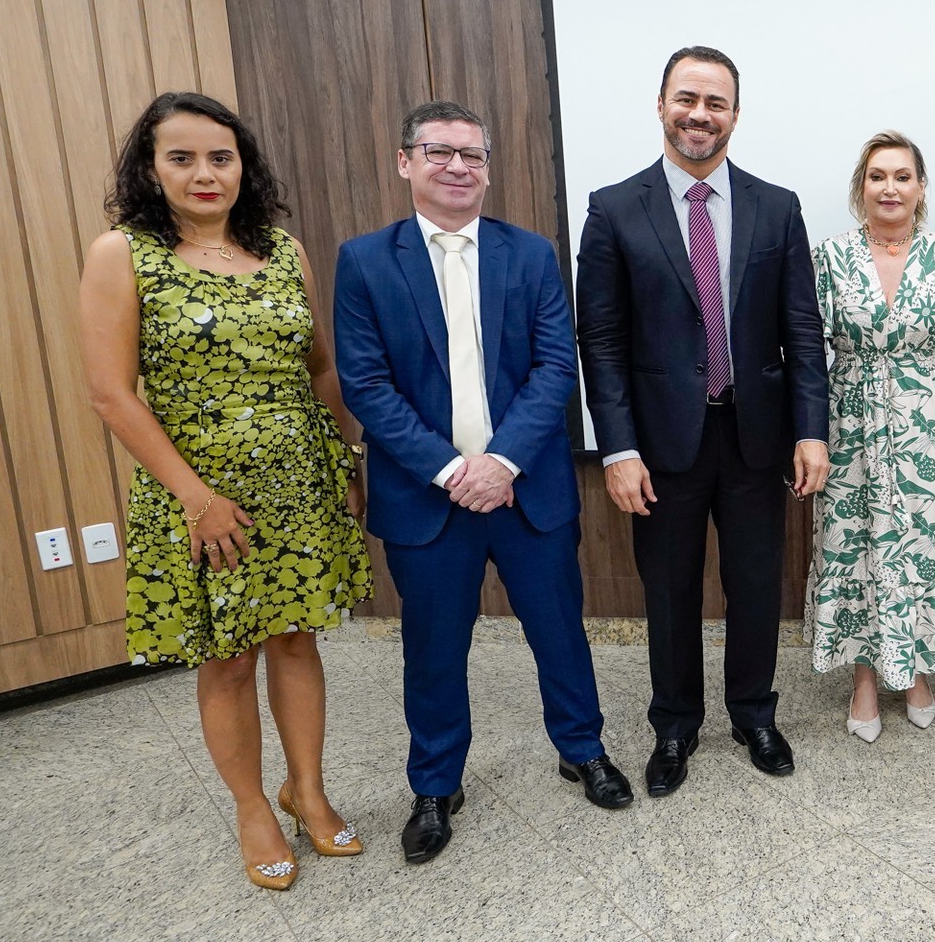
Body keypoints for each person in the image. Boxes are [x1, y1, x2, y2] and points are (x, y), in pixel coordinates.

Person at [80, 92, 372, 890]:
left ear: (244, 165)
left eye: (221, 157)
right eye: (182, 157)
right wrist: (196, 497)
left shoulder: (282, 250)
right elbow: (112, 393)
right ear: (151, 167)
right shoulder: (123, 253)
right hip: (199, 494)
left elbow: (319, 366)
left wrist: (346, 459)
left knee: (297, 640)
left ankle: (306, 788)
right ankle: (252, 806)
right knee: (230, 657)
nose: (205, 173)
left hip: (298, 481)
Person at [335, 99, 628, 867]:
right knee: (432, 651)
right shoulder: (366, 261)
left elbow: (554, 368)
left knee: (561, 631)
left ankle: (582, 749)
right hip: (426, 499)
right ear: (406, 161)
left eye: (473, 154)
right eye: (440, 152)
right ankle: (435, 786)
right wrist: (450, 468)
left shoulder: (529, 254)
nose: (459, 167)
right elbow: (365, 385)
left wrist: (501, 463)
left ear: (489, 168)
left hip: (525, 489)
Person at [577, 46, 830, 795]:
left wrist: (811, 428)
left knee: (757, 586)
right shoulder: (614, 208)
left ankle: (754, 711)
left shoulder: (775, 206)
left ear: (735, 115)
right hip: (660, 444)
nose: (700, 114)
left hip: (756, 436)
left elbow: (803, 330)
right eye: (687, 98)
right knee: (670, 589)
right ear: (661, 105)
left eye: (716, 102)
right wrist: (617, 446)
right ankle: (675, 725)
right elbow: (602, 339)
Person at [806, 132, 935, 742]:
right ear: (860, 188)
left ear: (920, 188)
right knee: (858, 547)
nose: (890, 187)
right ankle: (865, 678)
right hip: (850, 426)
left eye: (902, 176)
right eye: (877, 176)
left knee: (920, 549)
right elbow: (808, 355)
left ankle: (915, 671)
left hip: (927, 428)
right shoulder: (830, 256)